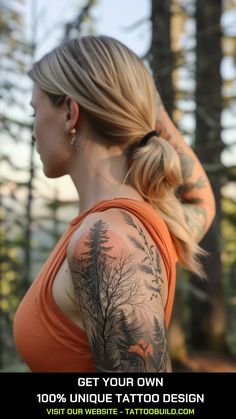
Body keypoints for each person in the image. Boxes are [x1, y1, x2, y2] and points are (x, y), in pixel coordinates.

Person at [13, 35, 215, 372]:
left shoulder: (108, 240)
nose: (33, 131)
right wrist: (148, 103)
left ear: (69, 113)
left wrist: (148, 102)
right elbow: (201, 200)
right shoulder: (142, 220)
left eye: (35, 111)